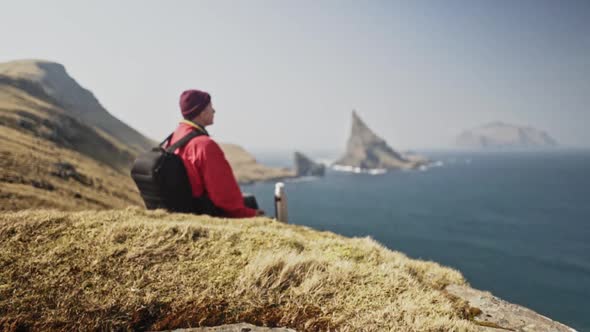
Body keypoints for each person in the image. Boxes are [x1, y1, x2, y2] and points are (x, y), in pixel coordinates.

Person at [166, 89, 264, 218]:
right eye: (210, 106)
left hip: (184, 208)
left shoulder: (174, 138)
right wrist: (251, 214)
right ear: (201, 112)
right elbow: (224, 196)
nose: (214, 111)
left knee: (248, 199)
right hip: (204, 212)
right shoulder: (204, 145)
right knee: (251, 203)